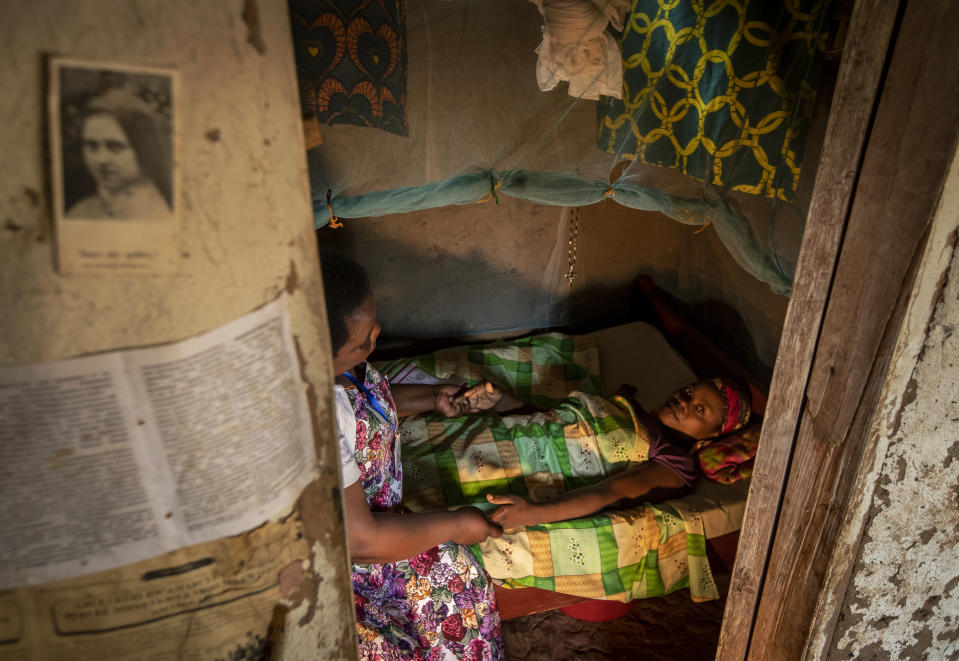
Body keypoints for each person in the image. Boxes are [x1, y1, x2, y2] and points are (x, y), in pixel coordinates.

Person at [321, 249, 505, 661]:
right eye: (361, 341)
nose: (377, 335)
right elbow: (362, 541)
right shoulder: (315, 418)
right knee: (454, 579)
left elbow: (366, 405)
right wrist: (456, 524)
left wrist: (434, 397)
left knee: (459, 573)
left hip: (380, 526)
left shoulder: (344, 369)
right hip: (353, 563)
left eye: (373, 323)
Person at [481, 377, 752, 530]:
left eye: (700, 410)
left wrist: (534, 514)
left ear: (714, 435)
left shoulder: (675, 463)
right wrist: (507, 404)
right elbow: (556, 422)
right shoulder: (630, 409)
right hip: (507, 435)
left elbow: (609, 492)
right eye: (689, 392)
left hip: (527, 469)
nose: (684, 401)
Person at [66, 90, 173, 220]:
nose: (101, 160)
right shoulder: (80, 211)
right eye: (92, 146)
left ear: (143, 148)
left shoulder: (158, 212)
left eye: (115, 147)